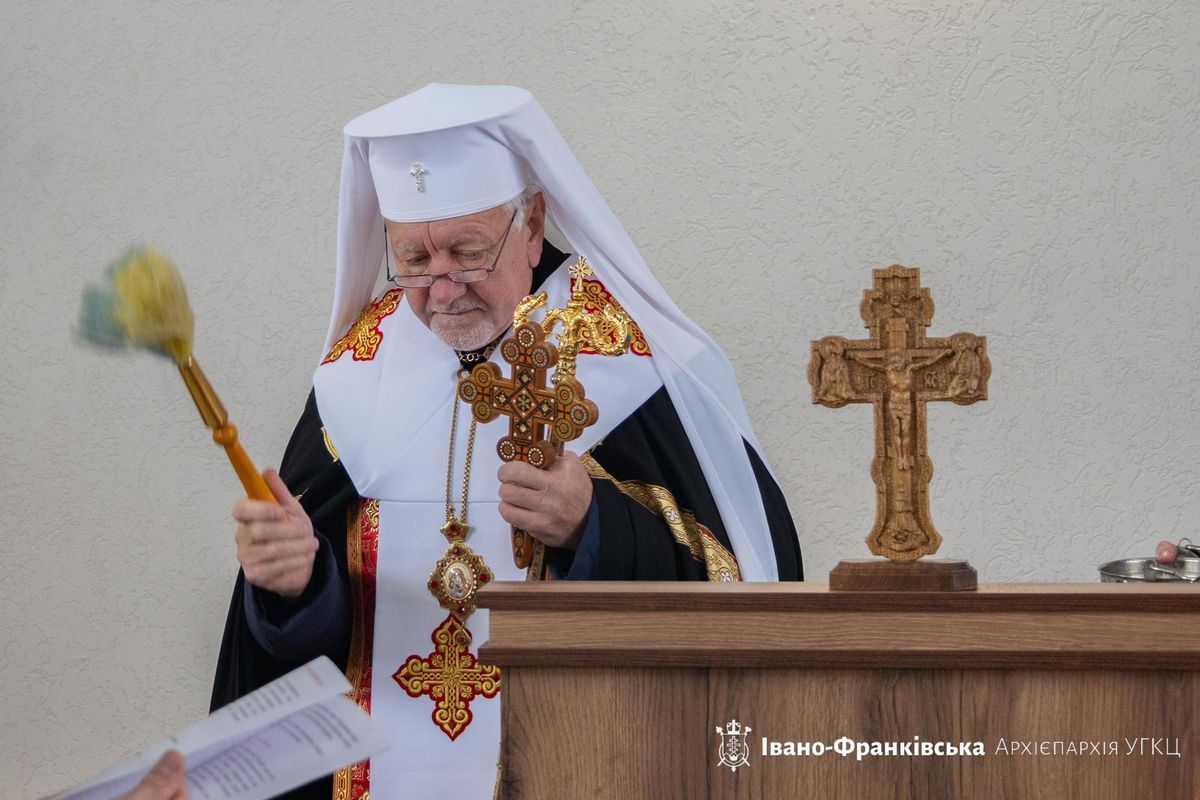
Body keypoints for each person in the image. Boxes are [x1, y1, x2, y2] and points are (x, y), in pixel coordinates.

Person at [211, 84, 802, 799]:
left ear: (533, 225)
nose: (441, 290)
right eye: (412, 260)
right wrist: (295, 586)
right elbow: (312, 651)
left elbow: (746, 595)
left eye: (467, 253)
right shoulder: (357, 374)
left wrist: (594, 527)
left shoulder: (634, 362)